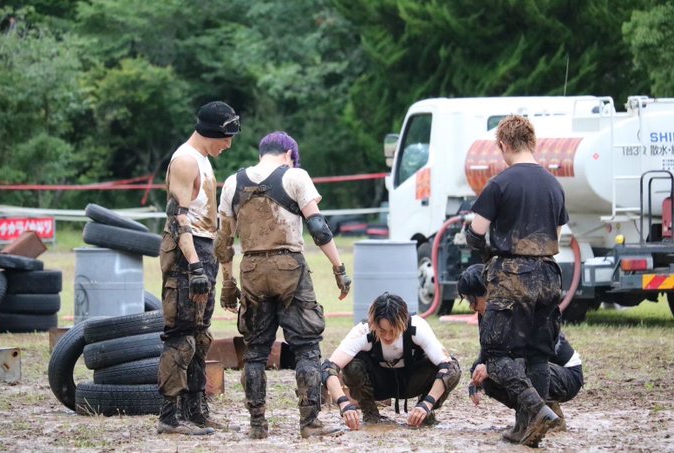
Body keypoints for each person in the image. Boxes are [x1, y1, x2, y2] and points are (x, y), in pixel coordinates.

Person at [214, 131, 352, 439]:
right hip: (290, 268)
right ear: (289, 154)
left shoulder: (233, 183)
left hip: (251, 269)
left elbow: (223, 241)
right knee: (306, 348)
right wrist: (338, 268)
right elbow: (318, 228)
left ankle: (257, 424)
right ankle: (309, 423)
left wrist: (227, 282)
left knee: (255, 352)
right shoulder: (295, 176)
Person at [465, 114, 569, 446]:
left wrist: (488, 254)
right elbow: (557, 235)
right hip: (549, 275)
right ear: (532, 143)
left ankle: (537, 411)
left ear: (503, 145)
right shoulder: (554, 185)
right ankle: (526, 429)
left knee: (496, 355)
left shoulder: (499, 184)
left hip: (511, 276)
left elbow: (475, 233)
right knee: (538, 354)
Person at [157, 101, 241, 435]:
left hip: (203, 247)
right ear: (212, 132)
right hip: (187, 252)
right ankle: (169, 417)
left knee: (200, 336)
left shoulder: (203, 160)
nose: (229, 144)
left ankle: (195, 411)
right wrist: (194, 266)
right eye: (227, 137)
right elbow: (177, 219)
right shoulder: (186, 161)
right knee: (181, 335)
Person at [458, 264, 584, 438]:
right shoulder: (487, 314)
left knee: (502, 369)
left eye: (473, 300)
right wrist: (475, 380)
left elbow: (524, 356)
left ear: (489, 291)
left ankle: (543, 415)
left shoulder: (517, 307)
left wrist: (490, 368)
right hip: (532, 366)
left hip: (567, 374)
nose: (472, 307)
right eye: (468, 301)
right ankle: (535, 414)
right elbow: (487, 353)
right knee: (486, 375)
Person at [322, 292, 461, 431]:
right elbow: (328, 368)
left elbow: (448, 368)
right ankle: (370, 413)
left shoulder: (417, 328)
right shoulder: (363, 331)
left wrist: (427, 404)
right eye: (382, 331)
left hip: (411, 382)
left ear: (403, 323)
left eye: (393, 331)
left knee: (452, 368)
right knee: (352, 366)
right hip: (378, 384)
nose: (388, 337)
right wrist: (344, 404)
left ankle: (424, 413)